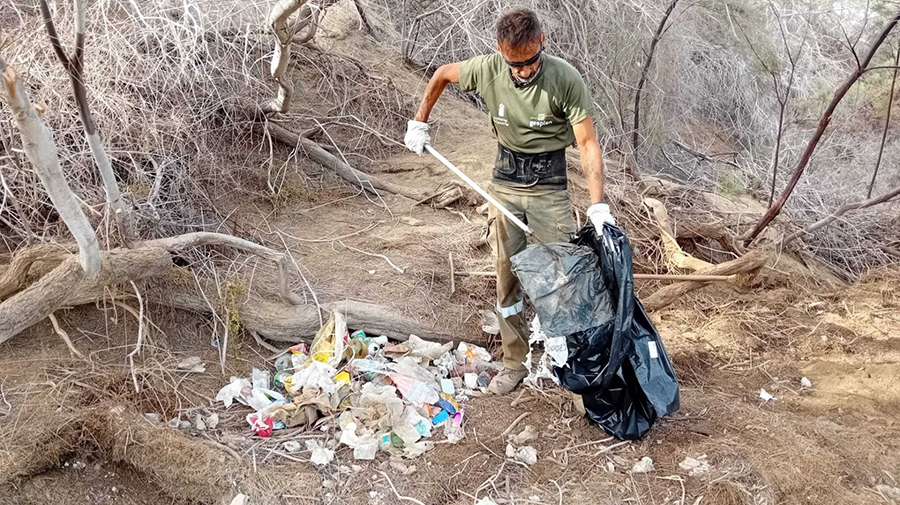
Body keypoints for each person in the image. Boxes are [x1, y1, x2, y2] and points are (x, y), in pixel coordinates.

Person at [404, 7, 613, 395]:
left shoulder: (565, 79)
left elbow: (586, 142)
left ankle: (574, 365)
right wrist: (420, 120)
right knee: (507, 278)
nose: (522, 72)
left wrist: (597, 204)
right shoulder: (488, 69)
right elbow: (441, 75)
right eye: (514, 64)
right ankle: (514, 361)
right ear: (501, 51)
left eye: (530, 63)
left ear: (542, 43)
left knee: (565, 278)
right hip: (505, 186)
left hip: (550, 187)